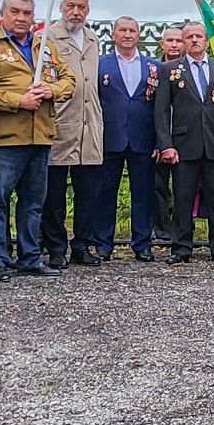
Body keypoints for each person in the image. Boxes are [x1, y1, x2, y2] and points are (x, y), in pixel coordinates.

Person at [0, 0, 75, 282]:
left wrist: (52, 90)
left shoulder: (45, 46)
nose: (21, 18)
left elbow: (69, 80)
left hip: (40, 136)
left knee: (33, 202)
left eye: (27, 13)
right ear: (3, 13)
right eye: (15, 12)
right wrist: (17, 100)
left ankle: (29, 257)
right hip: (4, 138)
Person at [154, 21, 214, 264]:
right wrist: (166, 145)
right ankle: (181, 248)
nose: (194, 40)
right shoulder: (170, 69)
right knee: (182, 197)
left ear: (206, 40)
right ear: (182, 42)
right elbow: (161, 111)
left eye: (198, 36)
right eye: (189, 37)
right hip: (183, 145)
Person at [41, 0, 105, 267]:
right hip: (61, 122)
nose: (75, 12)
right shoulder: (48, 37)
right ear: (61, 7)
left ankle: (82, 244)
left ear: (88, 9)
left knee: (89, 192)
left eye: (81, 7)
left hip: (90, 125)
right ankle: (56, 247)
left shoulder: (92, 39)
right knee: (54, 193)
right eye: (70, 6)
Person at [95, 16, 159, 262]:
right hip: (110, 138)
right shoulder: (101, 65)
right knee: (105, 193)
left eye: (132, 30)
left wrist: (159, 141)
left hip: (143, 139)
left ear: (139, 35)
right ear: (114, 34)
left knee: (143, 195)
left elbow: (159, 106)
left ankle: (142, 244)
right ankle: (103, 244)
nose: (127, 34)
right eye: (122, 30)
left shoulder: (153, 66)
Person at [151, 25, 187, 245]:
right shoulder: (152, 69)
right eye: (170, 40)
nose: (174, 45)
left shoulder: (192, 68)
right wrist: (159, 141)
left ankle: (182, 229)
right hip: (160, 138)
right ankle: (161, 229)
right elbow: (152, 110)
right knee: (158, 186)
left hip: (186, 138)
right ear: (162, 44)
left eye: (178, 40)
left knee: (185, 187)